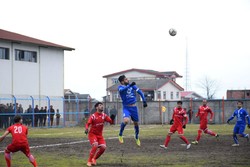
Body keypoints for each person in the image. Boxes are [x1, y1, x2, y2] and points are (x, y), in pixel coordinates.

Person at [117, 75, 147, 146]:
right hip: (126, 107)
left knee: (136, 123)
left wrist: (144, 101)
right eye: (125, 79)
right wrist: (130, 85)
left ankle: (136, 137)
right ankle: (120, 134)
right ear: (122, 82)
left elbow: (140, 92)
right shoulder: (120, 87)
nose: (127, 80)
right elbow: (122, 90)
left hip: (134, 108)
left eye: (127, 78)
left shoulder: (132, 86)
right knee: (126, 121)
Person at [84, 102, 114, 167]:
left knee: (103, 147)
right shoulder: (93, 116)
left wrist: (112, 119)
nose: (102, 106)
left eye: (102, 105)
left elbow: (111, 122)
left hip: (100, 135)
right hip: (92, 134)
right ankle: (89, 161)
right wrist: (86, 129)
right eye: (100, 105)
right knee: (95, 145)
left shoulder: (104, 115)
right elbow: (87, 124)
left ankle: (94, 159)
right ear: (96, 107)